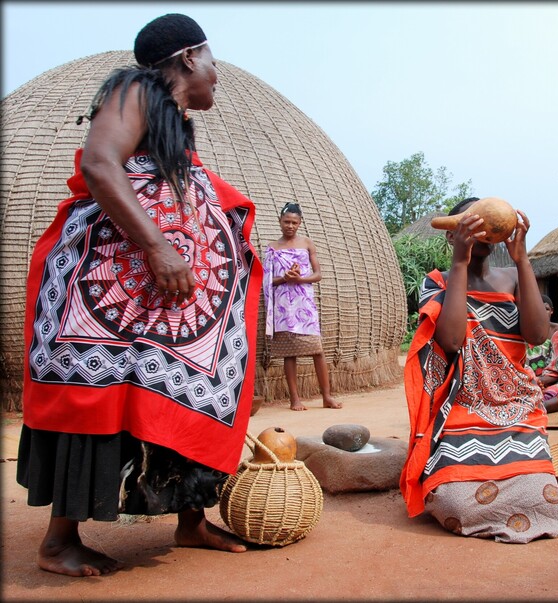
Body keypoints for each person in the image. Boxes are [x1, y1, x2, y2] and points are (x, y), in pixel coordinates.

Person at [16, 14, 262, 577]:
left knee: (181, 394)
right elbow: (101, 164)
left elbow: (186, 187)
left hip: (163, 295)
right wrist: (157, 249)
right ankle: (58, 541)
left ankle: (191, 520)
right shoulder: (135, 91)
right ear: (188, 58)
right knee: (98, 393)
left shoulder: (174, 121)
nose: (218, 75)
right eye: (213, 62)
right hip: (111, 285)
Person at [400, 198, 558, 543]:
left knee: (539, 496)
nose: (482, 232)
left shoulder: (513, 277)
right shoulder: (438, 282)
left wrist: (522, 260)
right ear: (454, 233)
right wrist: (460, 263)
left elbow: (536, 335)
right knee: (452, 499)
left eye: (487, 224)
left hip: (516, 405)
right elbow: (452, 340)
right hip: (461, 406)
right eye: (473, 224)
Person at [263, 202, 341, 411]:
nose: (290, 226)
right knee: (290, 353)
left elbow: (318, 275)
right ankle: (294, 399)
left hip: (304, 304)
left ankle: (327, 396)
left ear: (300, 223)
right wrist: (284, 278)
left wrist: (299, 279)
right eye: (286, 222)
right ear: (279, 221)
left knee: (317, 350)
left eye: (294, 222)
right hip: (283, 307)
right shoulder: (272, 247)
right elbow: (266, 280)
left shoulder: (307, 243)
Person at [525, 294, 558, 378]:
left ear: (552, 311)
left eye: (546, 309)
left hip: (552, 377)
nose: (542, 312)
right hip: (527, 376)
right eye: (538, 309)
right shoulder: (525, 330)